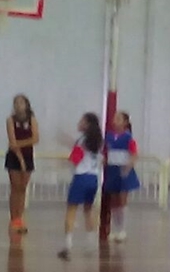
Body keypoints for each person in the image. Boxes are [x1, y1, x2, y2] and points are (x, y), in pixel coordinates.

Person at [58, 113, 102, 259]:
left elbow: (75, 158)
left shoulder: (82, 140)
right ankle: (90, 245)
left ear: (87, 124)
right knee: (88, 211)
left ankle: (68, 245)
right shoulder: (98, 141)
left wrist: (61, 164)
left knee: (71, 210)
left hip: (81, 178)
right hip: (93, 178)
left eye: (82, 121)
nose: (79, 123)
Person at [5, 94, 39, 233]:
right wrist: (21, 160)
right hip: (14, 157)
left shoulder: (32, 120)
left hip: (28, 155)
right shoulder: (10, 120)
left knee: (23, 188)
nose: (18, 105)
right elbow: (12, 143)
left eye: (21, 102)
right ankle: (13, 219)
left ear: (26, 105)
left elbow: (35, 139)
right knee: (15, 187)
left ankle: (20, 218)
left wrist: (18, 143)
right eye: (16, 103)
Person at [104, 111, 140, 242]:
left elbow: (134, 154)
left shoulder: (128, 137)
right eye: (115, 118)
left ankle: (122, 229)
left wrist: (128, 166)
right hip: (112, 169)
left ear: (125, 122)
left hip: (124, 170)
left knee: (122, 200)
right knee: (113, 201)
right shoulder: (108, 136)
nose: (115, 121)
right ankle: (115, 228)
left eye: (118, 119)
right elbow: (106, 152)